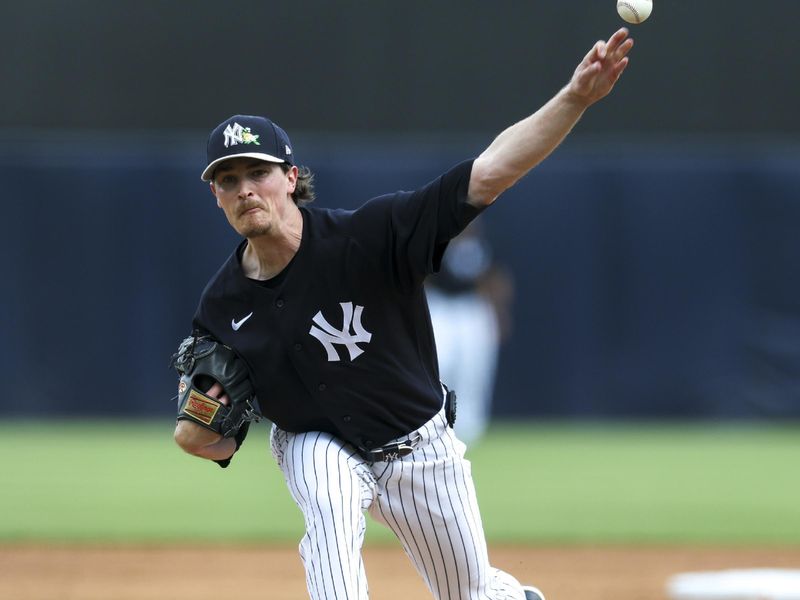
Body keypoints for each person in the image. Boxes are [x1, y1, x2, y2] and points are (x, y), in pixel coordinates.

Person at [173, 27, 634, 600]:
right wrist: (197, 434)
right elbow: (208, 438)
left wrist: (575, 97)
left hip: (419, 445)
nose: (244, 190)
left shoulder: (372, 235)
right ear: (215, 195)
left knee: (468, 592)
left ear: (291, 178)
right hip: (317, 443)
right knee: (328, 523)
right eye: (228, 179)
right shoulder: (221, 307)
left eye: (257, 173)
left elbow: (491, 173)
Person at [425, 219, 514, 445]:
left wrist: (499, 313)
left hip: (472, 308)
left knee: (473, 369)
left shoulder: (484, 246)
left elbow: (496, 280)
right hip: (441, 307)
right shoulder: (437, 244)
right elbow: (423, 279)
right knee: (439, 364)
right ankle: (433, 421)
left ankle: (470, 428)